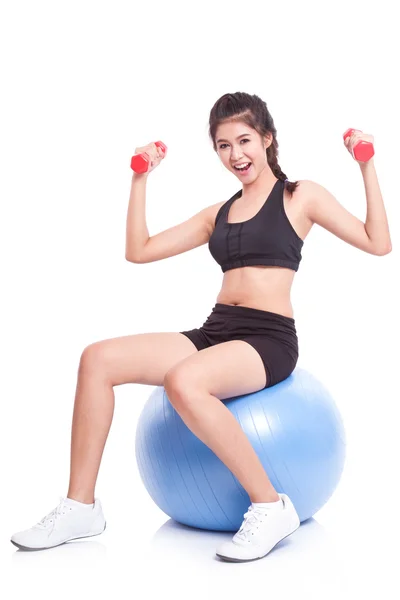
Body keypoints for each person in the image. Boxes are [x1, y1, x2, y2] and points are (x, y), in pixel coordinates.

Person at [10, 92, 392, 561]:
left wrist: (365, 166)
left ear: (268, 139)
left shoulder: (300, 196)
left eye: (245, 140)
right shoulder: (219, 213)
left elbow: (378, 242)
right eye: (223, 146)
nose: (236, 155)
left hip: (267, 338)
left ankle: (269, 505)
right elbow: (140, 249)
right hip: (217, 331)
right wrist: (139, 177)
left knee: (183, 381)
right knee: (97, 359)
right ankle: (79, 506)